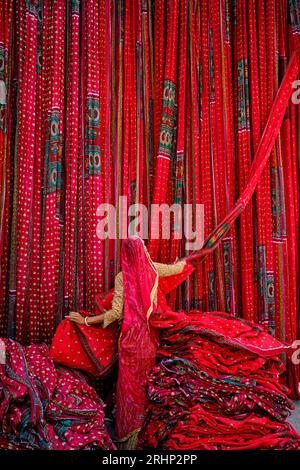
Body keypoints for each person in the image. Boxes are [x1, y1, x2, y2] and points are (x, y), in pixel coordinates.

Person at [68, 235, 195, 449]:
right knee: (145, 387)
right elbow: (178, 269)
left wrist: (86, 320)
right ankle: (146, 436)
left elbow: (116, 313)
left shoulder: (122, 277)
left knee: (129, 389)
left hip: (129, 341)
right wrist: (190, 257)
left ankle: (127, 439)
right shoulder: (153, 269)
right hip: (149, 339)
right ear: (142, 251)